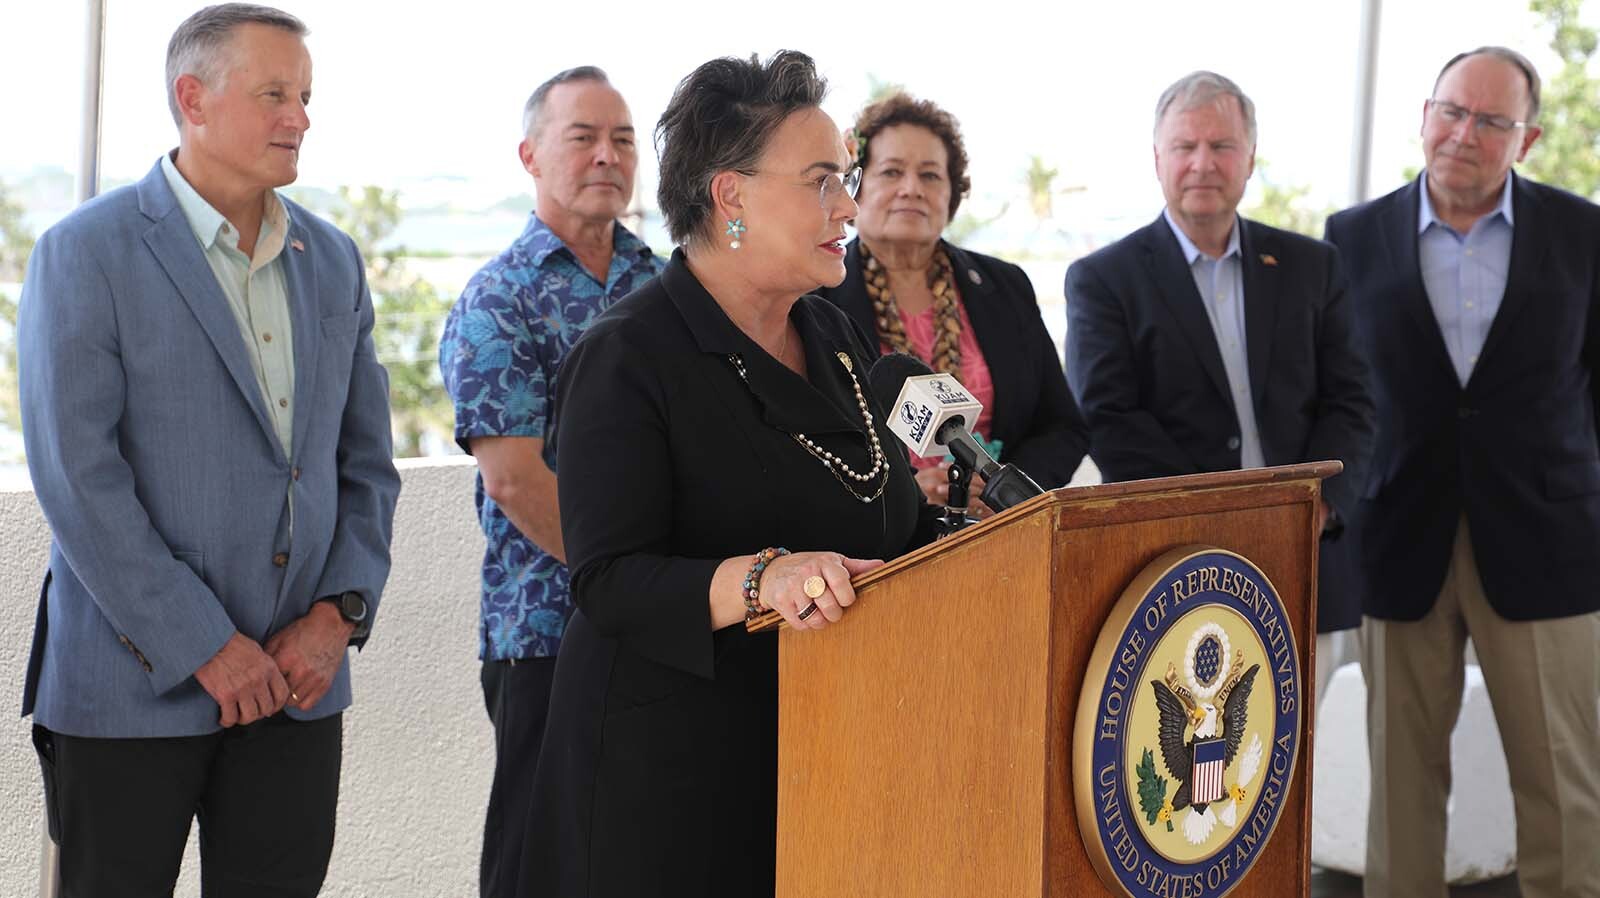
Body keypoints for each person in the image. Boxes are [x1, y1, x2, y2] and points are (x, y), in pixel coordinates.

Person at [521, 51, 938, 898]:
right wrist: (765, 579)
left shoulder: (838, 337)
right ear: (731, 195)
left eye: (846, 179)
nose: (849, 207)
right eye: (823, 180)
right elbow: (611, 581)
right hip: (671, 787)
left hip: (829, 755)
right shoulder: (628, 358)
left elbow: (891, 519)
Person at [17, 5, 400, 896]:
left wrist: (337, 616)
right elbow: (78, 478)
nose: (299, 117)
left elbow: (367, 465)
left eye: (305, 97)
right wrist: (204, 646)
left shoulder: (334, 260)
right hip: (127, 690)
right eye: (274, 94)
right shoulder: (85, 253)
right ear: (192, 98)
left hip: (298, 687)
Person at [1324, 47, 1600, 898]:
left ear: (1530, 137)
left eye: (1491, 121)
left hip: (1549, 541)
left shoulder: (1585, 233)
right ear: (1424, 115)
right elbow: (1340, 392)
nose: (1464, 134)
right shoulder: (1350, 236)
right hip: (1399, 538)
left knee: (1564, 788)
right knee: (1402, 789)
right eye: (1451, 111)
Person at [1064, 70, 1375, 697]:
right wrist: (1219, 518)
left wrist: (1316, 505)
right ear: (1158, 160)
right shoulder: (1103, 279)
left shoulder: (1313, 266)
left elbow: (1353, 400)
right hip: (1174, 567)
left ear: (1250, 159)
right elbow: (1110, 418)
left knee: (1293, 766)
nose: (1203, 163)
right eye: (1185, 146)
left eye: (1222, 146)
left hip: (1304, 553)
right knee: (1199, 771)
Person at [437, 65, 662, 898]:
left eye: (623, 139)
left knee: (647, 855)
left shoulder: (666, 282)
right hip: (547, 632)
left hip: (670, 624)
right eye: (583, 137)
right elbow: (515, 480)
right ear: (531, 155)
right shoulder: (502, 298)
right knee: (539, 862)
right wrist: (632, 578)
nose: (607, 155)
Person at [815, 92, 1088, 510]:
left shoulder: (1005, 285)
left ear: (952, 192)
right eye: (891, 172)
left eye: (930, 175)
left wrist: (1002, 492)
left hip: (1004, 532)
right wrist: (906, 494)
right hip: (881, 545)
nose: (912, 189)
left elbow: (1063, 427)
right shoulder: (816, 298)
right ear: (856, 190)